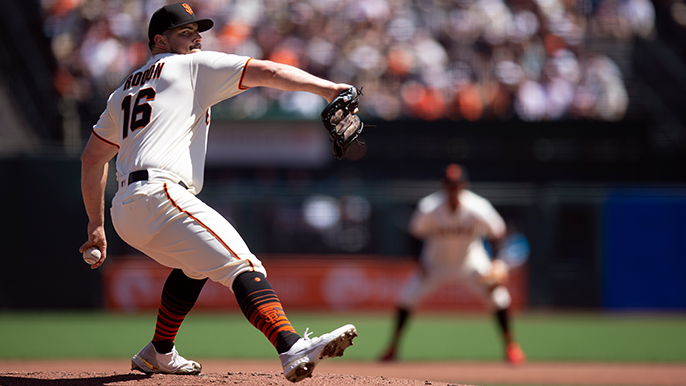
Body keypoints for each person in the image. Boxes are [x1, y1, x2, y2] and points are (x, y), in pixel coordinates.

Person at [79, 3, 357, 383]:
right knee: (242, 264)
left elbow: (92, 160)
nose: (196, 38)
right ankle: (292, 346)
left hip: (125, 212)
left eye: (198, 31)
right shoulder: (188, 66)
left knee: (194, 266)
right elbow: (269, 71)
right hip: (160, 195)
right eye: (185, 32)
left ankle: (159, 353)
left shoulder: (120, 93)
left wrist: (96, 226)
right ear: (159, 41)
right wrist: (328, 89)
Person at [379, 164, 525, 365]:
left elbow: (498, 232)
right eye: (449, 184)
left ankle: (511, 347)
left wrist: (497, 262)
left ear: (464, 185)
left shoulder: (478, 206)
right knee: (406, 299)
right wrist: (419, 262)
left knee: (499, 299)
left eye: (456, 184)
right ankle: (392, 348)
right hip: (434, 264)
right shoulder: (429, 207)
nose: (453, 188)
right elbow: (413, 235)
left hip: (471, 263)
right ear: (443, 186)